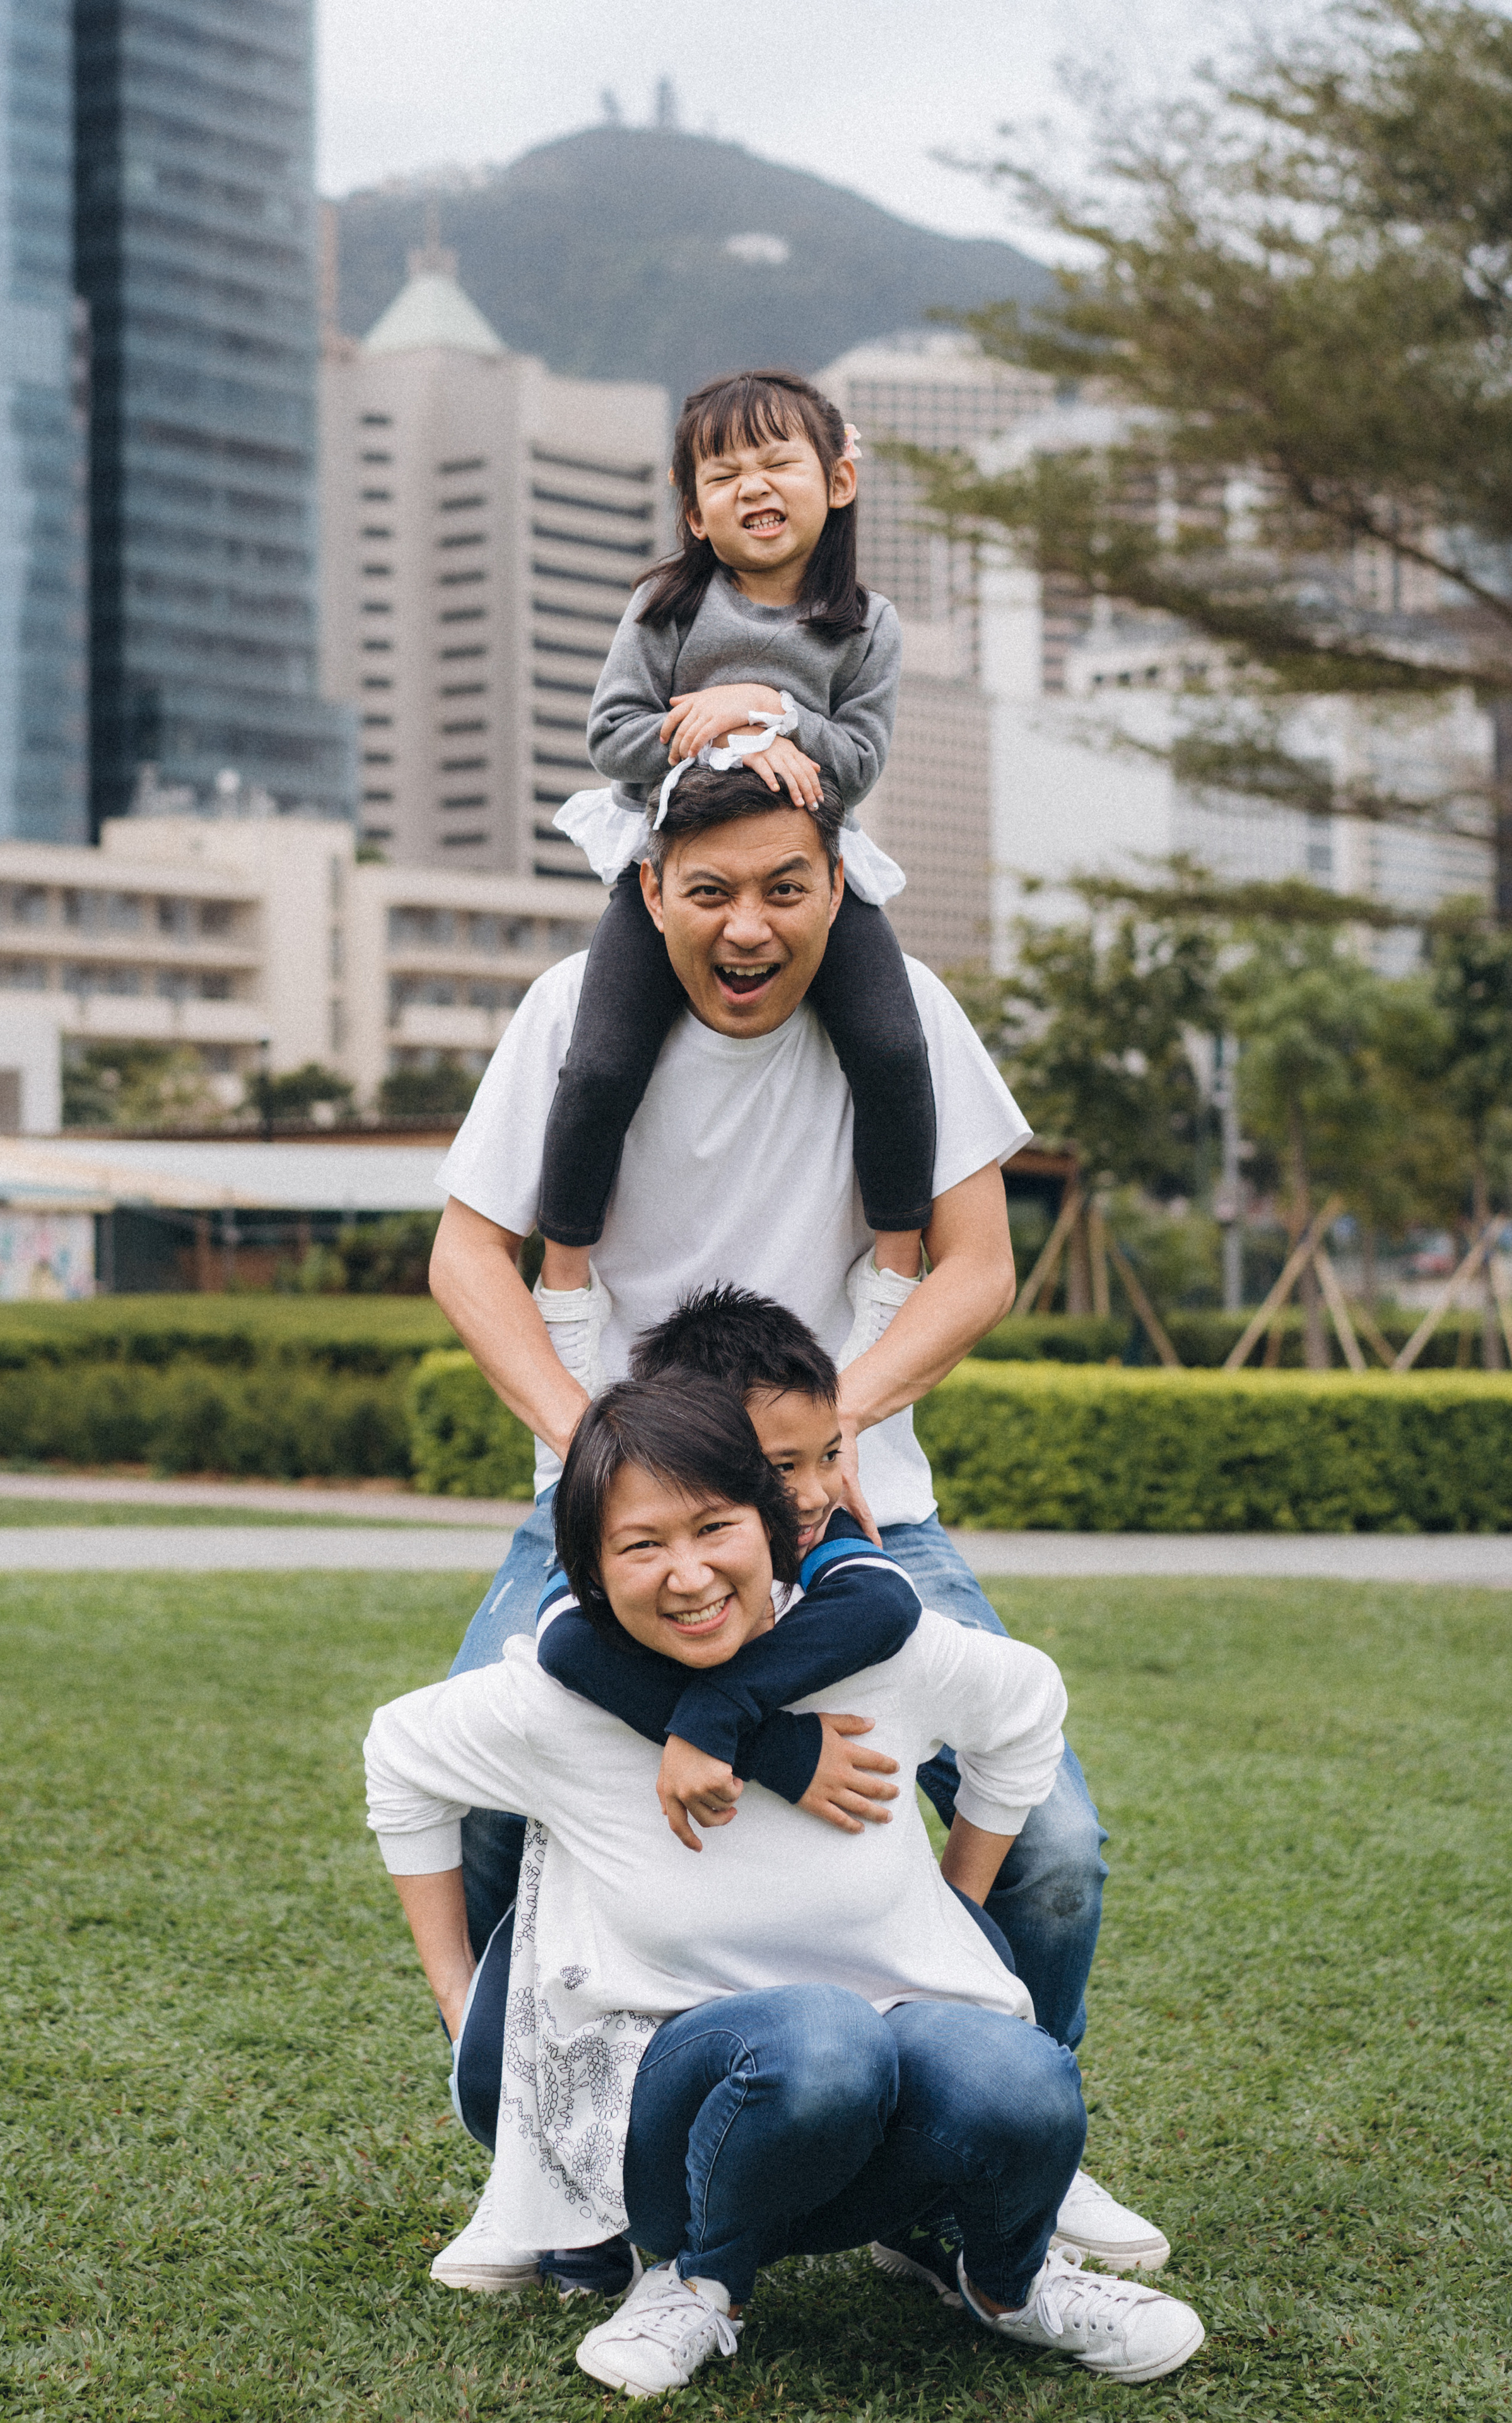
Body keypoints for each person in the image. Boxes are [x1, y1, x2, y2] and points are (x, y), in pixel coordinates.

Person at [426, 752, 1164, 2262]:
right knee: (485, 1798)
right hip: (623, 1523)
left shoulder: (909, 1022)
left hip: (864, 1517)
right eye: (710, 891)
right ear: (651, 891)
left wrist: (831, 1437)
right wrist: (597, 1448)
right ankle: (544, 2144)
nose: (747, 925)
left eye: (785, 887)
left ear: (841, 886)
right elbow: (463, 1256)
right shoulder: (568, 1015)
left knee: (1055, 1846)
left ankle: (993, 2130)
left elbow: (976, 1265)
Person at [365, 1378, 1207, 2396]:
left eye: (715, 1528)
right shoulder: (557, 1701)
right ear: (587, 1571)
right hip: (668, 2115)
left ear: (776, 1525)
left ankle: (1008, 2280)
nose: (688, 1576)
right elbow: (398, 1757)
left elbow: (1029, 1704)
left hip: (876, 2087)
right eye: (641, 1546)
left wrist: (960, 1908)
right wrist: (460, 2000)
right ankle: (698, 2281)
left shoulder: (881, 1651)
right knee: (821, 2040)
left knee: (1021, 2077)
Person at [539, 367, 934, 1302]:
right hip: (679, 875)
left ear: (838, 480)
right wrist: (731, 734)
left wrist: (767, 706)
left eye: (776, 463)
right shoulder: (666, 610)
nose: (752, 486)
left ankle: (894, 1274)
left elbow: (857, 765)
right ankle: (563, 1287)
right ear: (693, 512)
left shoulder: (869, 626)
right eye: (723, 476)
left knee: (892, 1050)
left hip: (808, 878)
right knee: (598, 1066)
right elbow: (614, 742)